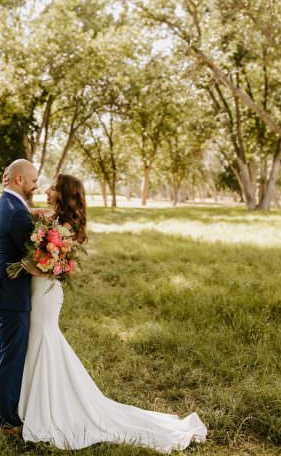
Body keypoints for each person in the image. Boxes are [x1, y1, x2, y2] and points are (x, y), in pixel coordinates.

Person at [17, 173, 208, 453]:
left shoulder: (66, 227)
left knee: (45, 339)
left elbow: (58, 265)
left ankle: (50, 406)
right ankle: (34, 400)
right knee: (40, 341)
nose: (48, 190)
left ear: (65, 194)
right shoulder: (53, 220)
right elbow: (27, 213)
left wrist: (29, 266)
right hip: (39, 290)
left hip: (46, 292)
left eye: (54, 188)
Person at [0, 159, 39, 432]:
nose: (36, 185)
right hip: (10, 292)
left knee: (4, 352)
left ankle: (1, 408)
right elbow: (35, 252)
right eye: (33, 180)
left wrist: (37, 215)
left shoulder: (8, 204)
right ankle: (5, 420)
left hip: (0, 288)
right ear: (19, 180)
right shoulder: (16, 212)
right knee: (10, 355)